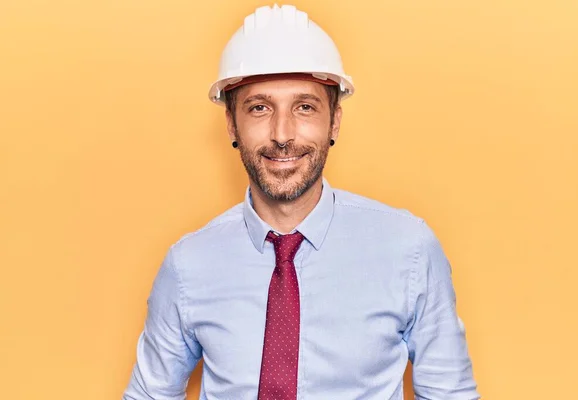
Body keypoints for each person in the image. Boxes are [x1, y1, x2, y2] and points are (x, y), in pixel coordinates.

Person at [123, 4, 479, 399]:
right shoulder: (188, 265)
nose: (282, 133)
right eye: (259, 108)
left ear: (335, 122)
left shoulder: (408, 250)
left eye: (304, 107)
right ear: (231, 124)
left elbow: (451, 393)